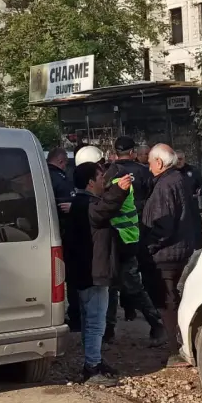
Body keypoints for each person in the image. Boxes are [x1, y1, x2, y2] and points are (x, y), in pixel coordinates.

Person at [66, 162, 131, 385]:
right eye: (101, 177)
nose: (105, 181)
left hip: (87, 271)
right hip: (93, 272)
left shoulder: (80, 203)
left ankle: (93, 360)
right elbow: (105, 209)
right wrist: (120, 190)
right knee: (95, 322)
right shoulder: (87, 204)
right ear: (91, 182)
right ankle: (92, 367)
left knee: (89, 320)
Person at [103, 135, 164, 344]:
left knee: (111, 284)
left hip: (113, 237)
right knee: (133, 283)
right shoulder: (143, 172)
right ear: (132, 152)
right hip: (136, 232)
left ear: (114, 152)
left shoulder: (107, 173)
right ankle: (155, 323)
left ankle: (109, 330)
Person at [142, 144, 196, 365]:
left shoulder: (166, 184)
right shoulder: (178, 179)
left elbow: (164, 223)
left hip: (167, 252)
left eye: (150, 163)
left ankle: (177, 350)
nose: (148, 167)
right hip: (181, 247)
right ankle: (183, 343)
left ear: (160, 163)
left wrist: (150, 247)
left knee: (167, 301)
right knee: (173, 298)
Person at [47, 146, 78, 330]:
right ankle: (75, 317)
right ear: (61, 161)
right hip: (64, 235)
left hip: (42, 234)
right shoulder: (61, 180)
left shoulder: (41, 175)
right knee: (70, 278)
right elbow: (68, 207)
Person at [175, 151, 202, 251]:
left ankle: (199, 247)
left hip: (192, 203)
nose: (178, 162)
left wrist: (200, 191)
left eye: (180, 159)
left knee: (196, 225)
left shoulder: (192, 170)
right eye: (176, 160)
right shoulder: (171, 172)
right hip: (177, 205)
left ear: (184, 159)